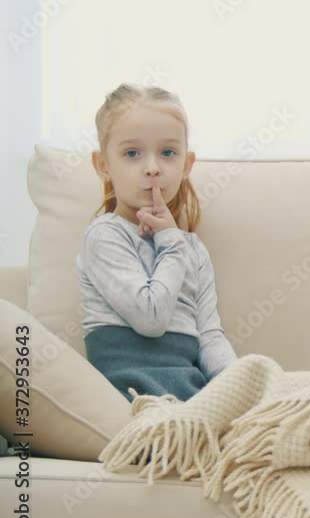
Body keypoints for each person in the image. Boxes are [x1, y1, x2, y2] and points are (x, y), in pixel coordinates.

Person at [75, 83, 236, 402]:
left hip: (187, 390)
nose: (152, 168)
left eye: (168, 153)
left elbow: (209, 336)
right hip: (128, 392)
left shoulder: (193, 249)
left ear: (186, 165)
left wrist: (238, 384)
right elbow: (151, 318)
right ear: (103, 165)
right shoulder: (104, 235)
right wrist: (171, 243)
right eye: (132, 154)